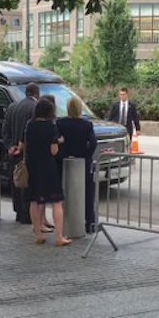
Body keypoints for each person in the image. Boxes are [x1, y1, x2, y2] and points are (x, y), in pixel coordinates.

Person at [24, 98, 72, 247]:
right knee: (56, 201)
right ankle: (59, 236)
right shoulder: (51, 127)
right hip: (48, 166)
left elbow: (27, 144)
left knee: (34, 200)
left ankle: (38, 233)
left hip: (33, 165)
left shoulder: (29, 125)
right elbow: (54, 150)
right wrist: (60, 141)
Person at [57, 98, 97, 234]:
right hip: (83, 162)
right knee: (88, 192)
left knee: (65, 192)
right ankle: (89, 222)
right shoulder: (87, 125)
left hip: (65, 162)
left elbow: (57, 141)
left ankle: (65, 221)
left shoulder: (60, 123)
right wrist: (86, 155)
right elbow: (93, 143)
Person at [2, 82, 40, 224]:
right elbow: (32, 132)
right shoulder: (36, 108)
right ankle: (26, 214)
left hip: (14, 153)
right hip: (28, 153)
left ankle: (18, 211)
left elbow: (5, 130)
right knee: (27, 183)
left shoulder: (12, 107)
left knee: (16, 181)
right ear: (37, 93)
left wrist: (10, 146)